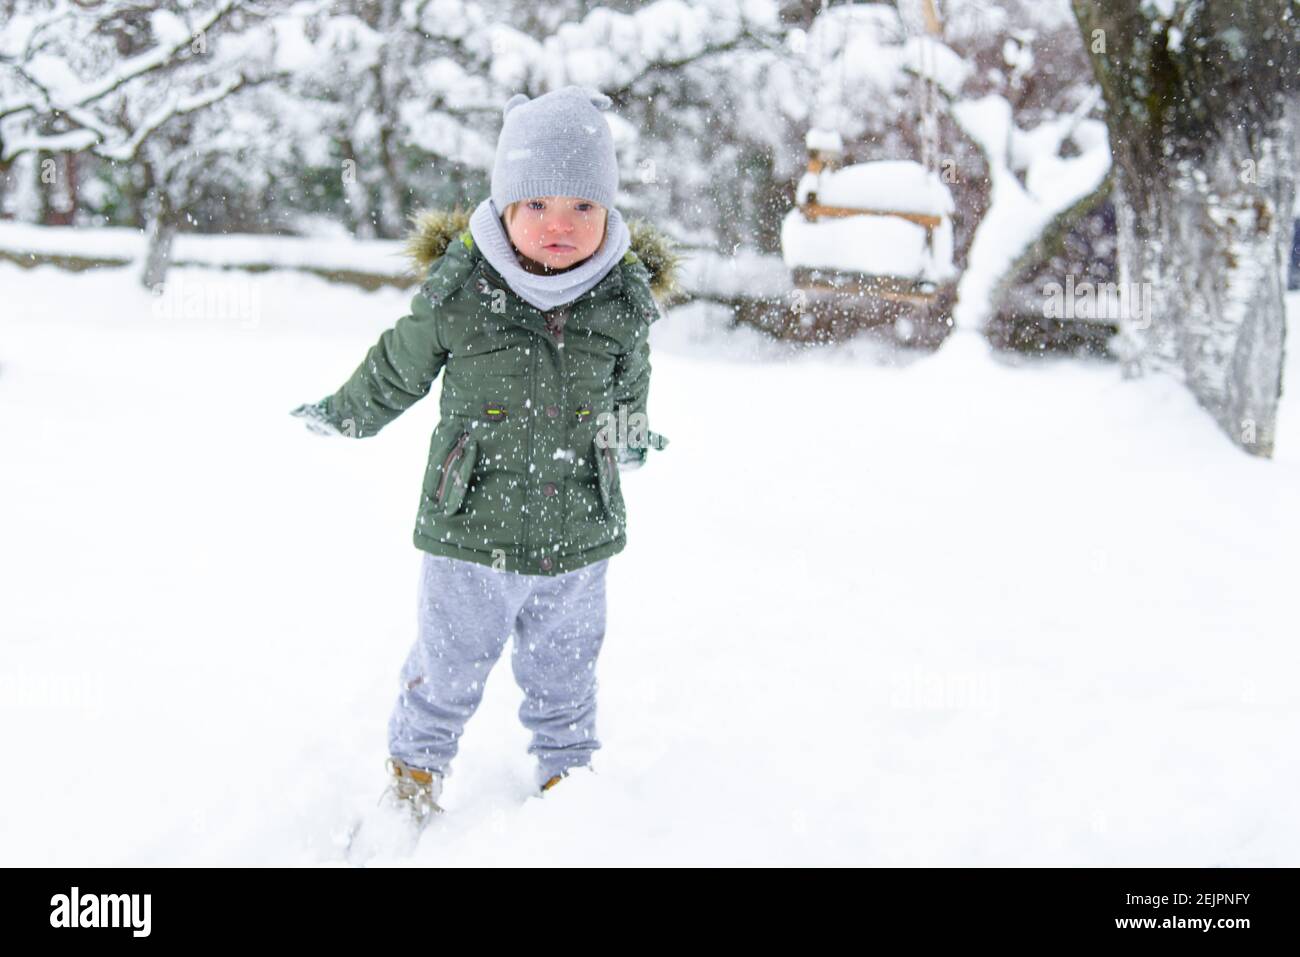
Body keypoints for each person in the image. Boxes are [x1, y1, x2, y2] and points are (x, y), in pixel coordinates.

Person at [291, 86, 677, 832]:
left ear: (609, 212)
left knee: (567, 670)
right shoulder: (463, 290)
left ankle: (569, 778)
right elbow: (398, 364)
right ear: (502, 206)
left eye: (582, 206)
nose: (560, 224)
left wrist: (630, 436)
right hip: (471, 526)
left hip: (579, 530)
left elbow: (632, 381)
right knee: (448, 663)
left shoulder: (621, 298)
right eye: (536, 205)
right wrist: (348, 412)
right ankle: (414, 776)